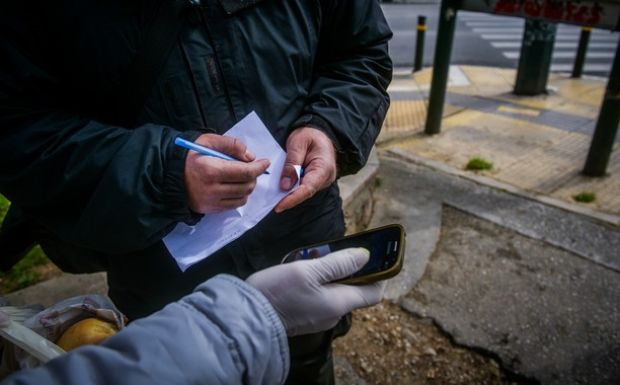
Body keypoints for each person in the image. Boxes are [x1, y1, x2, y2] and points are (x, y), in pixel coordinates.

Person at [0, 1, 392, 383]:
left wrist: (330, 128)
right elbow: (19, 134)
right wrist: (163, 173)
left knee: (305, 362)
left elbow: (361, 52)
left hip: (300, 240)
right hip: (162, 285)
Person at [1, 248, 383, 385]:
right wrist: (254, 315)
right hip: (159, 281)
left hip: (289, 238)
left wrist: (329, 129)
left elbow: (356, 68)